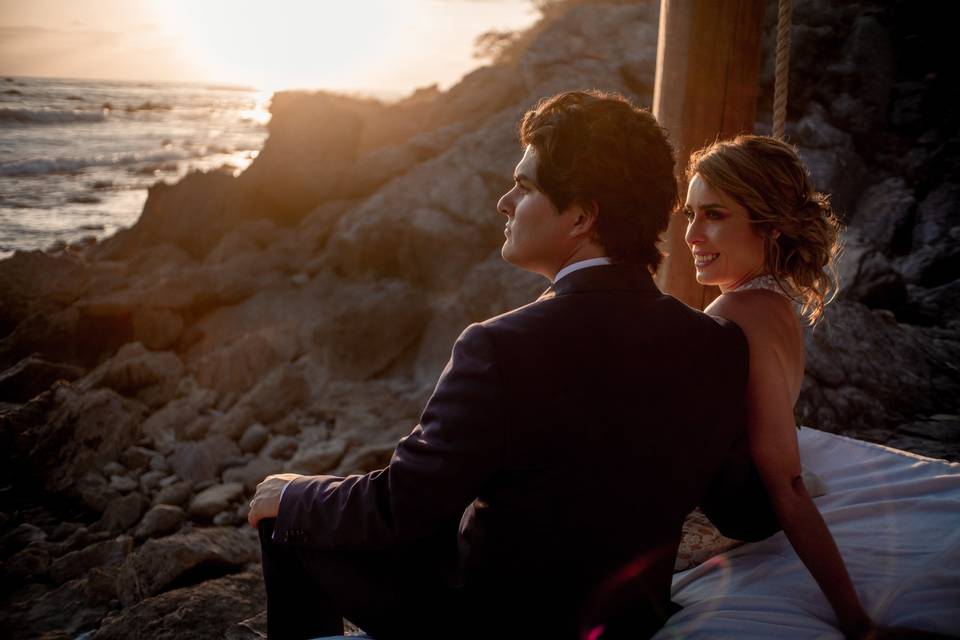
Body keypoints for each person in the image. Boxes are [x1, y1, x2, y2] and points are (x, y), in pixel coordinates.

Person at [248, 91, 779, 640]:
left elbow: (400, 507)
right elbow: (746, 515)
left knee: (289, 521)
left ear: (581, 216)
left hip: (491, 625)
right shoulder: (715, 345)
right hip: (624, 623)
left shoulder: (500, 347)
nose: (505, 201)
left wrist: (292, 492)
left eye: (524, 187)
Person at [682, 134, 877, 638]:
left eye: (715, 215)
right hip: (749, 501)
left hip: (737, 514)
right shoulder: (774, 303)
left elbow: (786, 483)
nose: (692, 236)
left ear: (767, 226)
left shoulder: (731, 317)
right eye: (690, 214)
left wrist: (855, 620)